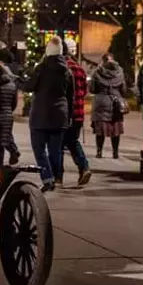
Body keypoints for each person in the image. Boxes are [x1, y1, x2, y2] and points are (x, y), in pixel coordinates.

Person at [21, 37, 73, 192]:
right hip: (60, 116)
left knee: (39, 150)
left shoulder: (41, 68)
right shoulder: (66, 72)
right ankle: (57, 178)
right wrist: (68, 117)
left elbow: (29, 87)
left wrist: (21, 79)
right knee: (55, 150)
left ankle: (47, 178)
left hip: (40, 116)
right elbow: (71, 96)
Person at [61, 40, 92, 186]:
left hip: (64, 113)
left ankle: (58, 177)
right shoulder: (79, 69)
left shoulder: (61, 69)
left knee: (58, 144)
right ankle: (84, 167)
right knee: (73, 141)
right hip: (78, 113)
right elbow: (84, 91)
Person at [89, 52, 127, 159]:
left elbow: (92, 89)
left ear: (103, 60)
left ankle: (99, 152)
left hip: (101, 102)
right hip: (116, 104)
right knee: (115, 129)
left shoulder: (97, 72)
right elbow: (123, 90)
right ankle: (115, 152)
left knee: (100, 130)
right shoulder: (120, 72)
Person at [0, 47, 23, 165]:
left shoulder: (2, 71)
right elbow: (13, 100)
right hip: (7, 110)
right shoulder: (12, 74)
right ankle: (13, 150)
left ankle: (12, 152)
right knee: (6, 133)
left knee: (1, 135)